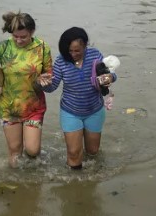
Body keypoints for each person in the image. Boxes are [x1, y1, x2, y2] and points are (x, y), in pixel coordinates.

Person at [40, 27, 117, 170]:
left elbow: (110, 75)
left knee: (93, 151)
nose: (73, 54)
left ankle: (92, 179)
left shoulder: (95, 55)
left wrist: (111, 77)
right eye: (69, 51)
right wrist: (42, 83)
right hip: (70, 111)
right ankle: (75, 183)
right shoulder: (61, 61)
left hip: (94, 110)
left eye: (77, 51)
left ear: (85, 45)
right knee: (74, 153)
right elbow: (52, 87)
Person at [0, 11, 52, 167]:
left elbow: (49, 72)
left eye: (23, 37)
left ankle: (33, 179)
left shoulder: (42, 47)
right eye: (16, 36)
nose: (19, 40)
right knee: (15, 151)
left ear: (32, 32)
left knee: (33, 150)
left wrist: (45, 79)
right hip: (8, 105)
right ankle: (15, 184)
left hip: (34, 105)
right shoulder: (3, 47)